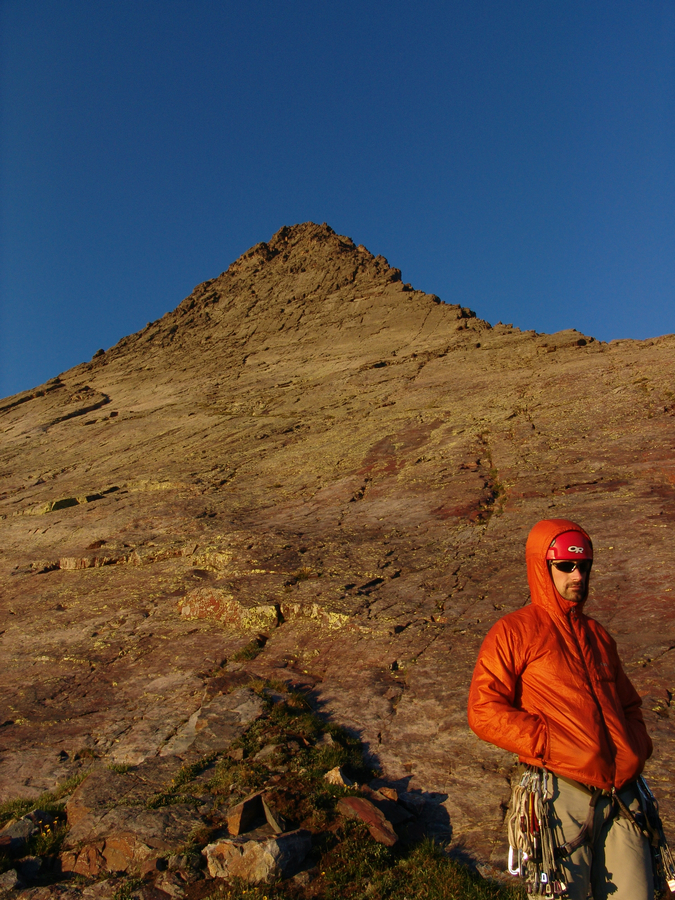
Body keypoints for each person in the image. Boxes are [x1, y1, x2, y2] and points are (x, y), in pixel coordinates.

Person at [468, 518, 654, 900]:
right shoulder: (513, 632)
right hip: (559, 794)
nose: (577, 575)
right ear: (543, 566)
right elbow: (483, 710)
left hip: (622, 796)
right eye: (566, 566)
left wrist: (635, 749)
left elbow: (630, 705)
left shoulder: (599, 637)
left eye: (583, 565)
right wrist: (549, 741)